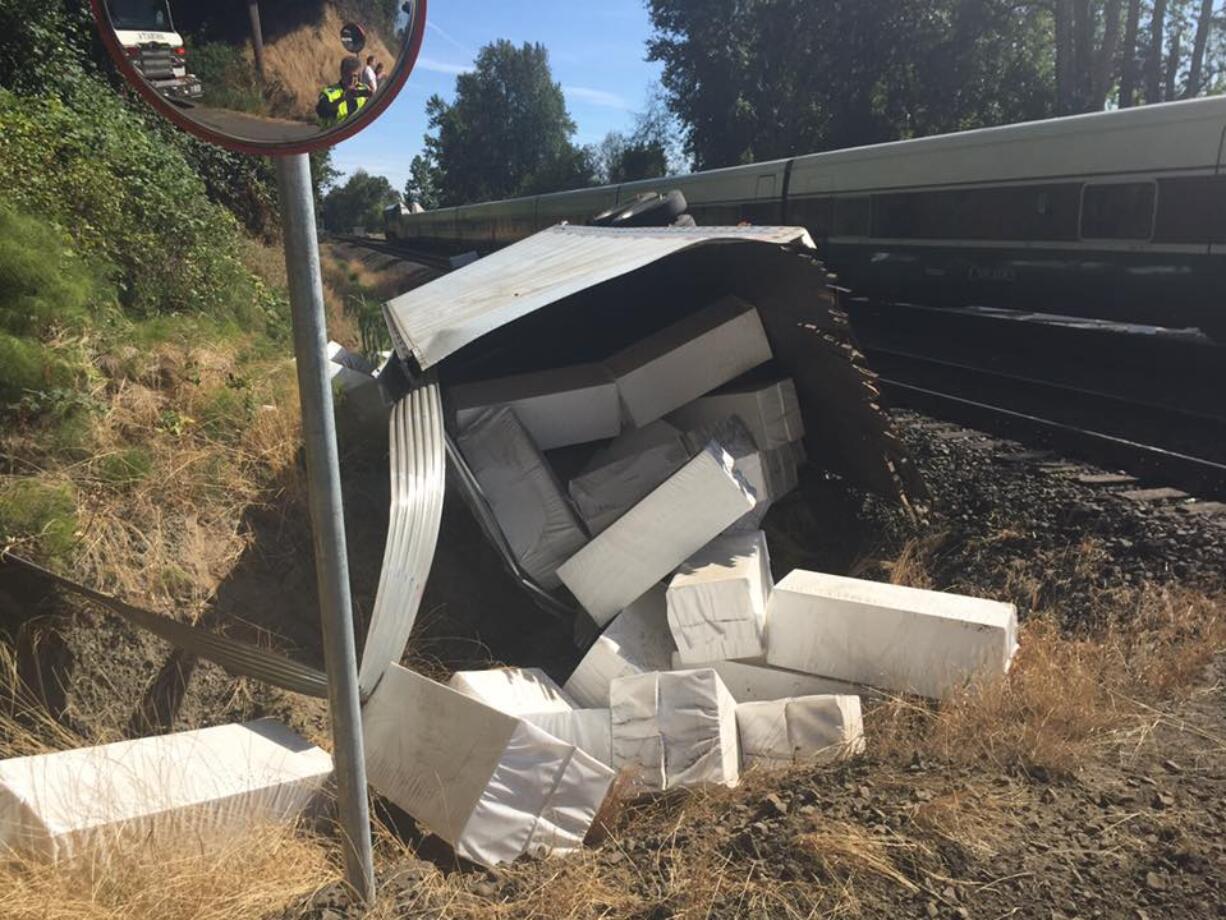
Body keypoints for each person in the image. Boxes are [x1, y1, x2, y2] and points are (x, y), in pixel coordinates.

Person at [317, 56, 371, 127]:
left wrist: (373, 97)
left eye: (355, 76)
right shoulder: (329, 93)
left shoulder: (364, 89)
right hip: (334, 134)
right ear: (342, 73)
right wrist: (341, 99)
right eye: (348, 76)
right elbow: (322, 111)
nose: (352, 80)